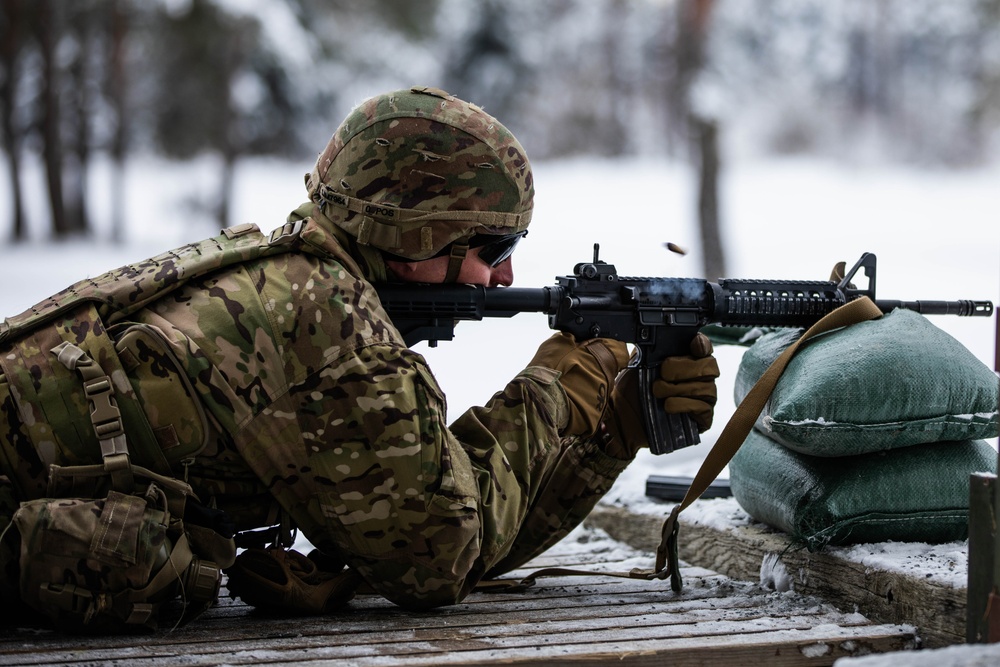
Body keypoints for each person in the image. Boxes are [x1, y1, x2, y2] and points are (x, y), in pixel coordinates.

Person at [0, 86, 719, 627]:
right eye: (493, 249)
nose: (503, 277)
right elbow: (443, 551)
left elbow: (443, 519)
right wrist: (558, 392)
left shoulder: (289, 269)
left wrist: (610, 431)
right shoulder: (329, 331)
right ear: (416, 237)